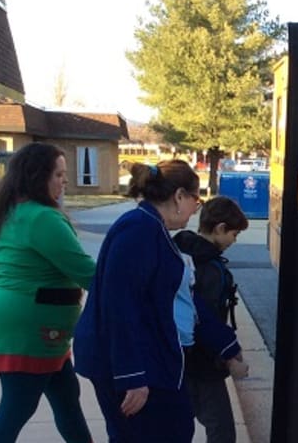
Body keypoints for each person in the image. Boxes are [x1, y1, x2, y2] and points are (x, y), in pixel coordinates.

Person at [73, 160, 244, 442]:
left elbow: (182, 299)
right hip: (126, 362)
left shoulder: (153, 228)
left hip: (145, 356)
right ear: (179, 196)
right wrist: (132, 376)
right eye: (195, 200)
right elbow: (119, 305)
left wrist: (225, 343)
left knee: (175, 427)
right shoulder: (138, 230)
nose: (195, 208)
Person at [0, 142, 95, 443]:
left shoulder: (13, 210)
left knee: (67, 396)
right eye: (58, 174)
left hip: (21, 316)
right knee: (18, 406)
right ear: (37, 176)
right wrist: (135, 286)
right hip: (30, 323)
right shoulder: (42, 217)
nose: (64, 181)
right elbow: (85, 272)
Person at [173, 196, 249, 443]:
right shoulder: (208, 268)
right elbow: (203, 318)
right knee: (222, 430)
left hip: (179, 357)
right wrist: (230, 353)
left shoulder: (183, 251)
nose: (233, 241)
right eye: (234, 235)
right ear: (220, 229)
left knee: (184, 422)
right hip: (203, 362)